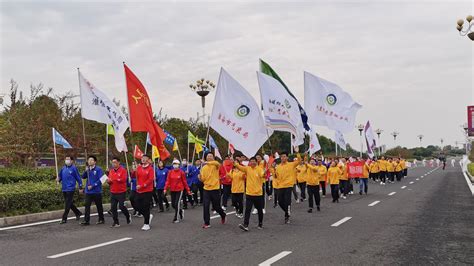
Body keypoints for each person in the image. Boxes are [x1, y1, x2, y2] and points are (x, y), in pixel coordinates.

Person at [234, 157, 266, 231]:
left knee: (259, 210)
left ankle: (260, 223)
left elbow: (262, 175)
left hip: (258, 194)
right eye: (251, 161)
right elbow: (240, 167)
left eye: (254, 161)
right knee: (247, 210)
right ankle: (245, 225)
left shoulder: (259, 169)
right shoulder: (247, 169)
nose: (252, 162)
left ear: (256, 162)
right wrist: (235, 163)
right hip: (249, 193)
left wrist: (264, 174)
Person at [200, 152, 226, 229]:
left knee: (216, 207)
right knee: (206, 206)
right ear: (206, 157)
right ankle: (207, 223)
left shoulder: (215, 165)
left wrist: (206, 162)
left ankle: (223, 215)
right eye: (208, 156)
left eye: (211, 156)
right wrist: (200, 178)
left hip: (215, 189)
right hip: (206, 189)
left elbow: (218, 164)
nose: (210, 157)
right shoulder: (204, 168)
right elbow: (203, 179)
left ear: (213, 158)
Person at [274, 150, 301, 224]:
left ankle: (287, 216)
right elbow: (276, 176)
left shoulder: (291, 164)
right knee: (280, 201)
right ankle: (287, 211)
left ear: (287, 157)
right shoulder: (278, 167)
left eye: (284, 156)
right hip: (280, 186)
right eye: (281, 156)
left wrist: (297, 152)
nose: (283, 158)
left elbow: (299, 161)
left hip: (289, 185)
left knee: (287, 201)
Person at [57, 156, 83, 224]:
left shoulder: (74, 168)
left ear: (72, 161)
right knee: (69, 203)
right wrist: (58, 180)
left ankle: (64, 218)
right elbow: (60, 176)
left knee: (67, 203)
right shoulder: (63, 168)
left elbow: (78, 178)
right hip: (64, 188)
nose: (67, 160)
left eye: (68, 159)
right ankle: (78, 213)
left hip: (71, 188)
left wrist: (80, 187)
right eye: (66, 159)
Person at [132, 155, 155, 231]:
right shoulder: (138, 168)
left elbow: (150, 180)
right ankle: (147, 215)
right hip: (139, 190)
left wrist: (142, 186)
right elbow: (133, 176)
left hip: (147, 190)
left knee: (146, 206)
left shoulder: (150, 169)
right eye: (142, 158)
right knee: (136, 203)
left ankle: (146, 224)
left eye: (145, 158)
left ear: (148, 160)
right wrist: (133, 170)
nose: (143, 160)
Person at [107, 157, 131, 228]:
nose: (113, 164)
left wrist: (114, 179)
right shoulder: (111, 171)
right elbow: (110, 181)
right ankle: (116, 222)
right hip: (113, 192)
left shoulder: (123, 170)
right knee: (113, 208)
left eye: (115, 162)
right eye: (112, 163)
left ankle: (127, 215)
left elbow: (123, 179)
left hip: (121, 192)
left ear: (118, 163)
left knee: (121, 206)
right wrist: (108, 181)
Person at [80, 156, 105, 226]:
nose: (90, 161)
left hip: (97, 191)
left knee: (99, 206)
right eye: (89, 160)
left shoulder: (98, 169)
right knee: (87, 206)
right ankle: (86, 220)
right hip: (88, 191)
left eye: (91, 160)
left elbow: (102, 179)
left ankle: (101, 219)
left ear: (95, 162)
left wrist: (93, 185)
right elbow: (83, 176)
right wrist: (86, 170)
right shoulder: (88, 169)